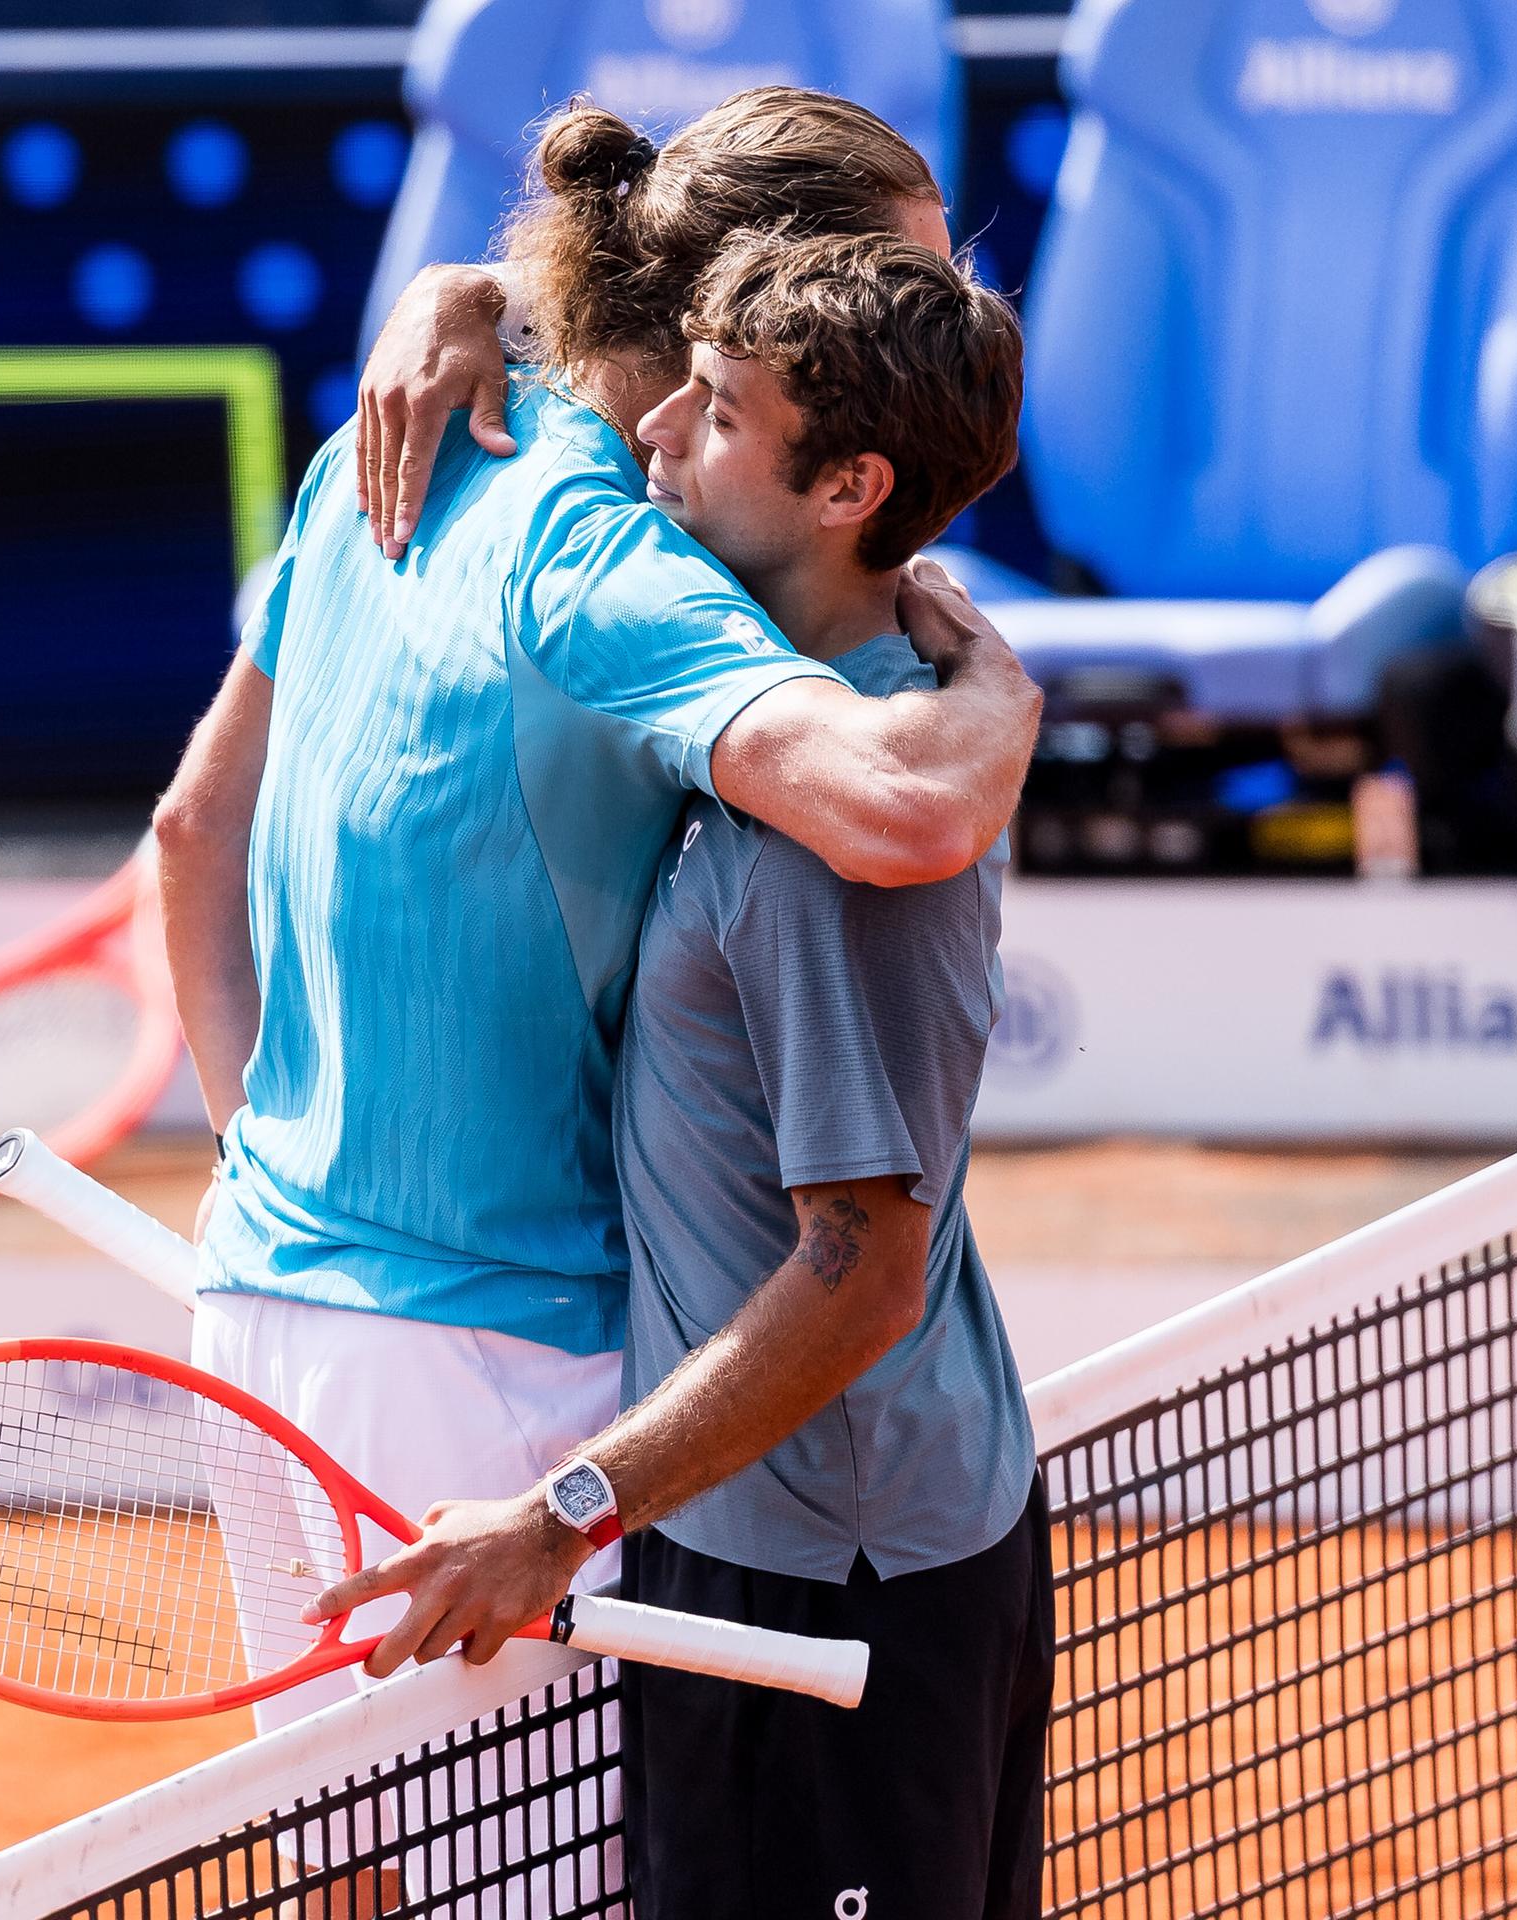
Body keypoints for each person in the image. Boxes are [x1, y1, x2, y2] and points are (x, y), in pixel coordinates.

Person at [152, 88, 1041, 1736]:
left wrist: (277, 1188)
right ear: (773, 299)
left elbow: (193, 829)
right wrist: (999, 677)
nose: (939, 325)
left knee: (343, 1878)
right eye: (908, 277)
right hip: (493, 1369)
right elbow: (910, 806)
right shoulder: (615, 560)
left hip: (255, 1304)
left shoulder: (377, 443)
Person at [309, 227, 1051, 1920]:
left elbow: (858, 1276)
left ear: (850, 485)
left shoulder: (834, 849)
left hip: (837, 1583)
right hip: (794, 1538)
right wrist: (465, 297)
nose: (655, 434)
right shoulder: (794, 738)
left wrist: (559, 1515)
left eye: (717, 415)